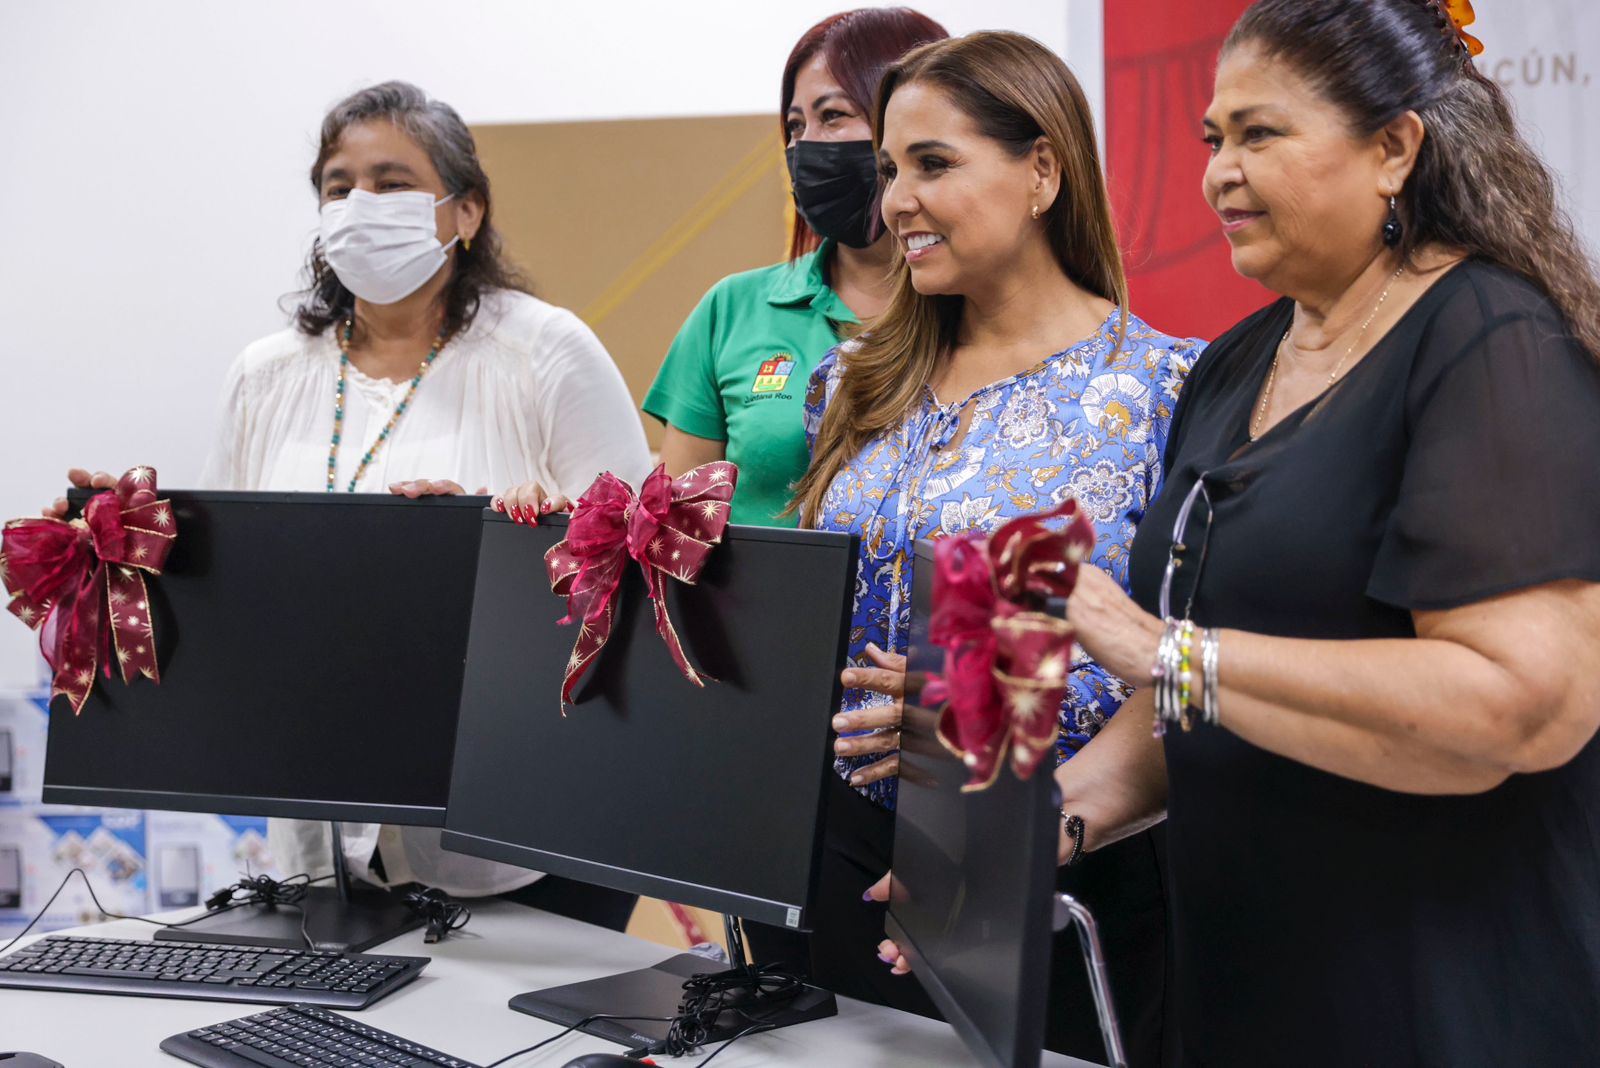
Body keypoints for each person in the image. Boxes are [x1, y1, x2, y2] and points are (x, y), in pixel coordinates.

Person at [888, 2, 1600, 1065]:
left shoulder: (1490, 342)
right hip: (1244, 972)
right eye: (1212, 141)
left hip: (1436, 987)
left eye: (1260, 135)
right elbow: (1193, 704)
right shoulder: (1235, 365)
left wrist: (1161, 648)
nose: (1220, 172)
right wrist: (1034, 836)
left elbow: (1521, 707)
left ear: (1393, 148)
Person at [52, 82, 650, 927]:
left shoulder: (544, 353)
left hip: (516, 845)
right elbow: (231, 586)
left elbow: (636, 572)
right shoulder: (266, 374)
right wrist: (114, 544)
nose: (360, 205)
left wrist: (510, 533)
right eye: (339, 186)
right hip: (320, 839)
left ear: (466, 211)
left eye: (393, 181)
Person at [796, 32, 1201, 1065]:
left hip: (1056, 864)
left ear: (1041, 171)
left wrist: (973, 732)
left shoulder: (1164, 394)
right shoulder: (852, 383)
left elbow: (1182, 667)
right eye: (890, 169)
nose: (894, 200)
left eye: (932, 164)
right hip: (838, 849)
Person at [636, 8, 948, 527]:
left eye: (832, 116)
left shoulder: (978, 312)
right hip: (758, 607)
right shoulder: (731, 310)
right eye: (794, 126)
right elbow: (672, 530)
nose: (803, 147)